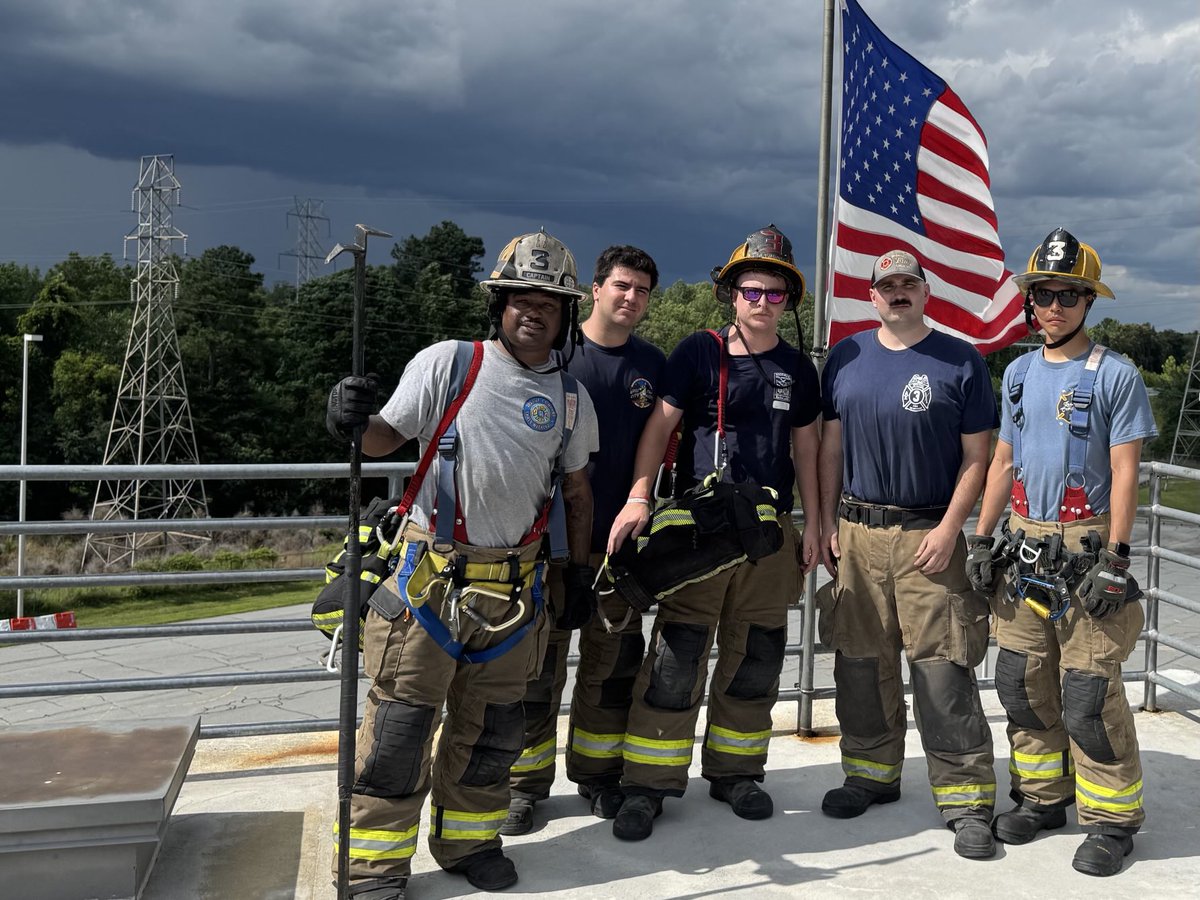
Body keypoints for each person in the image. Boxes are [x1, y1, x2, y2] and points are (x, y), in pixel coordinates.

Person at [324, 229, 599, 900]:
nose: (534, 312)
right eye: (521, 300)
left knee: (492, 734)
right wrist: (347, 419)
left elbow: (577, 494)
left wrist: (578, 574)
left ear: (565, 319)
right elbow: (384, 437)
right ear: (498, 306)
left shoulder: (570, 401)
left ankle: (469, 841)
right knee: (397, 732)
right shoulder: (449, 364)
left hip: (514, 594)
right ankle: (371, 869)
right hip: (429, 586)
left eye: (550, 304)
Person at [605, 224, 821, 841]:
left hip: (769, 535)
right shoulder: (697, 352)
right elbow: (660, 430)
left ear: (788, 301)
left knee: (755, 659)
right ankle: (649, 784)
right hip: (702, 532)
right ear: (731, 294)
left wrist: (813, 523)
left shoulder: (797, 370)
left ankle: (736, 773)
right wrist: (640, 495)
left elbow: (807, 453)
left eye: (775, 293)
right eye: (751, 289)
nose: (762, 302)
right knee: (678, 657)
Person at [968, 228, 1156, 877]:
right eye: (1044, 293)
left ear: (1087, 301)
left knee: (1086, 691)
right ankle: (1044, 799)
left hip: (1087, 550)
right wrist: (980, 536)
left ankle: (1109, 822)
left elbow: (1126, 471)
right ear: (1030, 299)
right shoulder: (1017, 374)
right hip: (1023, 548)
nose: (1054, 305)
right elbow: (1002, 460)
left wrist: (1119, 559)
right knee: (1020, 684)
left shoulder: (1116, 374)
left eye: (1068, 294)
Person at [816, 249, 998, 860]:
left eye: (908, 285)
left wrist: (952, 528)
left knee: (942, 668)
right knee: (860, 663)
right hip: (859, 533)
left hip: (930, 533)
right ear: (872, 297)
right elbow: (830, 450)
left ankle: (966, 796)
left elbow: (980, 458)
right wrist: (829, 521)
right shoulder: (846, 356)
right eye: (886, 285)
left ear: (926, 293)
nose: (897, 293)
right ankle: (870, 774)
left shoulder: (960, 361)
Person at [503, 245, 667, 834]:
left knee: (612, 667)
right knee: (533, 669)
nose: (631, 298)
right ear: (594, 289)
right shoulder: (555, 353)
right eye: (621, 285)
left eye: (643, 290)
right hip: (545, 546)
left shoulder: (654, 365)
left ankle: (599, 776)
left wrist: (641, 501)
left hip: (618, 549)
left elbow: (660, 447)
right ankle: (523, 785)